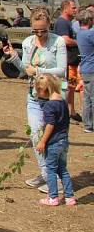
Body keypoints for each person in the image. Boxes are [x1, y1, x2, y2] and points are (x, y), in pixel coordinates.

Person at [2, 7, 67, 194]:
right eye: (36, 30)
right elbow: (25, 70)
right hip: (33, 96)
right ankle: (47, 174)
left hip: (53, 97)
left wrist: (39, 71)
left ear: (49, 26)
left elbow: (61, 70)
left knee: (53, 139)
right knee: (36, 136)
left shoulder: (58, 42)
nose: (39, 34)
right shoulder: (28, 42)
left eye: (43, 30)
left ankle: (57, 179)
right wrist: (13, 57)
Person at [34, 74, 77, 206]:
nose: (37, 94)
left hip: (53, 143)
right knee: (62, 169)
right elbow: (66, 121)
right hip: (64, 141)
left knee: (51, 169)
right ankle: (70, 197)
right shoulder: (62, 102)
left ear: (45, 90)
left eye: (38, 91)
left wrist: (42, 141)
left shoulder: (49, 106)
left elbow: (50, 125)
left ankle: (53, 197)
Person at [54, 0, 81, 122]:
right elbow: (65, 40)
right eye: (73, 8)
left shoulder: (68, 22)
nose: (76, 10)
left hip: (72, 62)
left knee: (71, 86)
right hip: (67, 62)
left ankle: (71, 111)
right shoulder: (62, 23)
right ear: (66, 9)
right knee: (67, 87)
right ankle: (65, 112)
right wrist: (80, 42)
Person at [76, 9, 94, 133]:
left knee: (87, 98)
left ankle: (88, 124)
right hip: (92, 68)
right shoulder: (90, 34)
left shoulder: (80, 33)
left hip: (85, 68)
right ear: (89, 20)